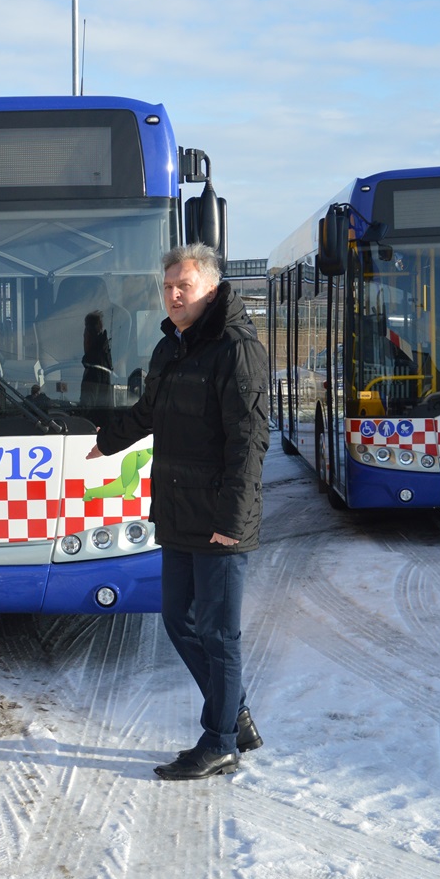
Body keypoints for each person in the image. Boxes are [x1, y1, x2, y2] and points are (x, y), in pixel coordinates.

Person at [87, 243, 268, 780]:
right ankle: (233, 713)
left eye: (181, 287)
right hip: (178, 510)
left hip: (218, 519)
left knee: (219, 632)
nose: (171, 295)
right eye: (167, 286)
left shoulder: (237, 348)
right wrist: (108, 441)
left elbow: (250, 439)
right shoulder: (173, 347)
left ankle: (219, 741)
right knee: (177, 620)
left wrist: (232, 523)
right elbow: (150, 410)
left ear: (209, 288)